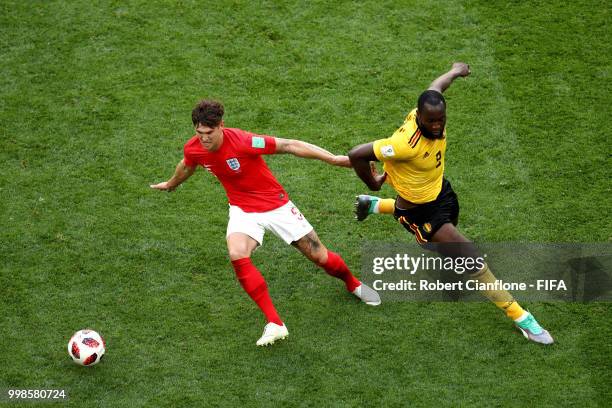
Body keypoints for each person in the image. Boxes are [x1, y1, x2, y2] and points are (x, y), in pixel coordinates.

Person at [347, 62, 553, 345]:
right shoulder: (404, 143)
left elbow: (436, 87)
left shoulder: (432, 107)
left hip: (440, 191)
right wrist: (373, 181)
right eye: (431, 121)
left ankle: (373, 205)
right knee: (471, 259)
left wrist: (455, 71)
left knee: (448, 244)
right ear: (419, 116)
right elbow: (356, 154)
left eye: (440, 120)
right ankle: (522, 318)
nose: (436, 125)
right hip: (419, 210)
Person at [151, 100, 380, 346]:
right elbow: (187, 164)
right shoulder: (194, 148)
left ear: (221, 126)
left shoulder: (243, 141)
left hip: (276, 205)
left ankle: (353, 284)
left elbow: (289, 145)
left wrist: (336, 159)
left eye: (209, 133)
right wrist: (172, 183)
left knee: (319, 256)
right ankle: (275, 323)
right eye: (199, 133)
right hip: (242, 209)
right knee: (237, 253)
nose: (204, 139)